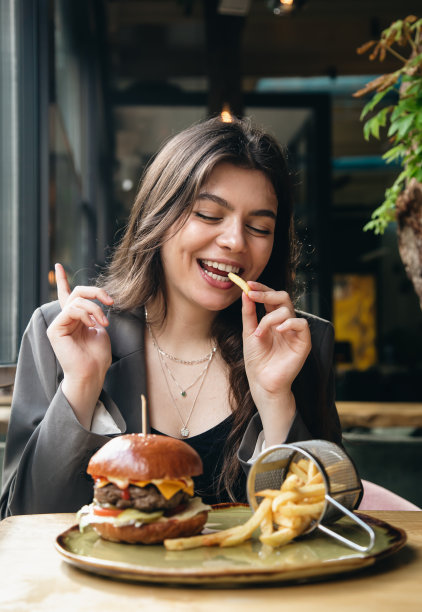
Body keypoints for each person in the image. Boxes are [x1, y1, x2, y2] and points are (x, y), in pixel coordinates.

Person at [0, 117, 341, 518]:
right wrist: (82, 385)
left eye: (258, 227)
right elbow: (20, 520)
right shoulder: (61, 332)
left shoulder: (301, 342)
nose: (235, 240)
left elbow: (328, 522)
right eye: (210, 215)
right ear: (158, 216)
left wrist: (275, 400)